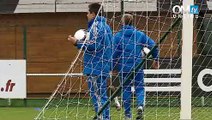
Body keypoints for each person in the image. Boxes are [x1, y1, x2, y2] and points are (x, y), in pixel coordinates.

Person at [68, 3, 112, 120]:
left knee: (98, 97)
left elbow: (95, 45)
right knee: (101, 96)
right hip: (102, 66)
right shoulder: (106, 26)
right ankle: (105, 117)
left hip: (95, 67)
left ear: (93, 14)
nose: (87, 15)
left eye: (88, 13)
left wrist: (77, 43)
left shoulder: (97, 26)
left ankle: (103, 118)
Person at [112, 14, 159, 120]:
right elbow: (153, 45)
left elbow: (114, 54)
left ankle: (128, 115)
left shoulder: (118, 36)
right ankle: (140, 105)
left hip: (123, 67)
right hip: (137, 66)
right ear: (132, 22)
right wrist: (156, 59)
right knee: (140, 88)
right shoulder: (139, 34)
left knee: (126, 89)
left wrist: (113, 67)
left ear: (122, 22)